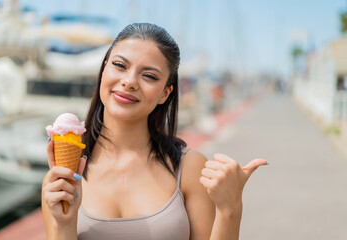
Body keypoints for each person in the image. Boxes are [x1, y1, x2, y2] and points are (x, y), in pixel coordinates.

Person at [41, 23, 267, 240]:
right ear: (103, 69)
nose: (129, 81)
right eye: (120, 65)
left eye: (148, 76)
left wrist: (231, 208)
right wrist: (63, 223)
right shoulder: (63, 175)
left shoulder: (188, 168)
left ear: (165, 94)